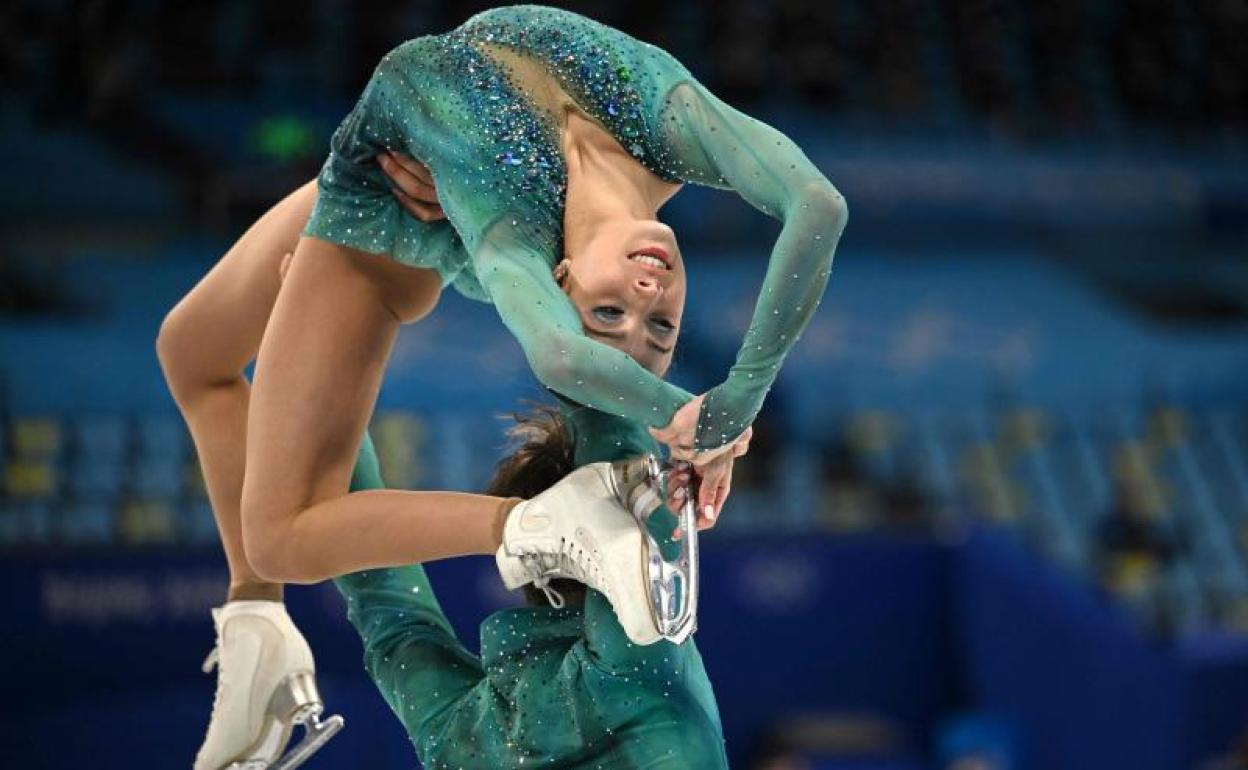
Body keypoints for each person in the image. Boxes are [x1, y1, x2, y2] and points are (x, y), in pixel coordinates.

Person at [156, 4, 845, 768]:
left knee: (277, 533)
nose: (650, 297)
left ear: (560, 281)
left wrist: (687, 418)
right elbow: (818, 204)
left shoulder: (520, 243)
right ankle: (258, 631)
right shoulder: (662, 133)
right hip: (430, 156)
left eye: (615, 310)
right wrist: (733, 405)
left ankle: (509, 530)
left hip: (384, 205)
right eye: (658, 328)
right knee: (190, 352)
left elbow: (560, 359)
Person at [336, 405, 730, 769]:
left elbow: (388, 607)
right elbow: (615, 473)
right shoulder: (638, 664)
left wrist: (321, 379)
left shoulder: (458, 732)